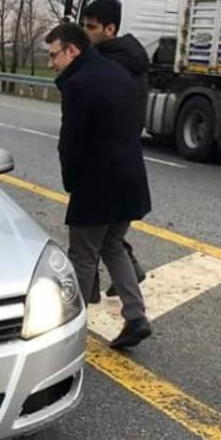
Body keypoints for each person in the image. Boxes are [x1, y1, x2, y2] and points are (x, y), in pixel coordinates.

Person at [46, 22, 152, 350]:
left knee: (83, 254)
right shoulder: (118, 73)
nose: (52, 63)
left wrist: (71, 180)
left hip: (97, 183)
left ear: (72, 50)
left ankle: (69, 327)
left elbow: (71, 141)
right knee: (113, 245)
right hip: (131, 178)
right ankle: (136, 316)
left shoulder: (78, 84)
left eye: (54, 55)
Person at [81, 0, 148, 301]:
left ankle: (88, 297)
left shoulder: (105, 65)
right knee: (110, 235)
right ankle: (130, 283)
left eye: (91, 27)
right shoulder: (133, 61)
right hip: (127, 157)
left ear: (110, 29)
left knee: (89, 238)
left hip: (104, 159)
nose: (86, 33)